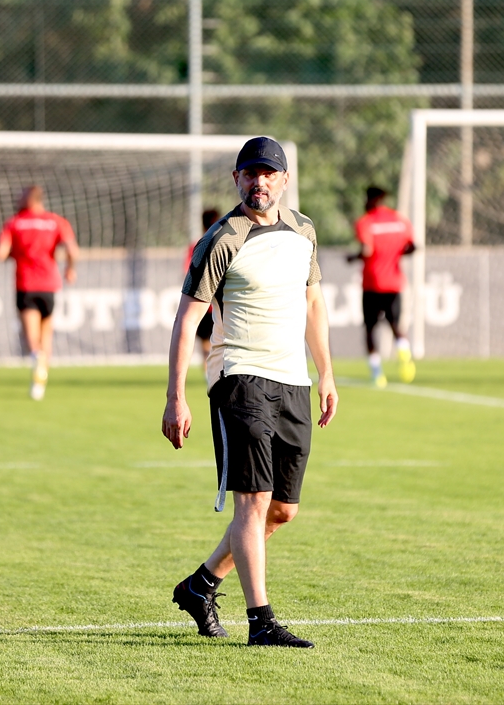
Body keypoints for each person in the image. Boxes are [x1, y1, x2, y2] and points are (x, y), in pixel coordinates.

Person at [162, 136, 338, 649]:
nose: (259, 182)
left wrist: (326, 373)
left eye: (269, 173)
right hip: (239, 377)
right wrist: (176, 396)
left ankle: (200, 586)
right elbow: (187, 319)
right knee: (254, 501)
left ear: (284, 180)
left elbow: (313, 305)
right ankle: (261, 621)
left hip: (293, 380)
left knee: (282, 510)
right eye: (250, 173)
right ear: (236, 179)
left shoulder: (304, 231)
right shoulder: (222, 239)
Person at [0, 185, 78, 401]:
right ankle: (40, 383)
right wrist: (70, 269)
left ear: (29, 199)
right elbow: (72, 250)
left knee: (32, 338)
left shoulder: (15, 222)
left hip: (26, 284)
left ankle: (36, 361)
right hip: (49, 284)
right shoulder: (56, 221)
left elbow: (1, 253)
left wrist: (14, 252)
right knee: (46, 334)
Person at [348, 186, 416, 388]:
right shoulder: (399, 220)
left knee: (370, 329)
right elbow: (412, 246)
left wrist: (353, 257)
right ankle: (404, 351)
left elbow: (367, 250)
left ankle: (377, 373)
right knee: (395, 324)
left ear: (370, 199)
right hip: (394, 282)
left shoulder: (366, 222)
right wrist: (395, 254)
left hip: (372, 283)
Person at [184, 209, 221, 372]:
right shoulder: (224, 242)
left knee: (207, 341)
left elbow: (188, 271)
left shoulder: (196, 245)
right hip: (218, 302)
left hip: (203, 301)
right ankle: (212, 372)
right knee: (216, 340)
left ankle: (208, 372)